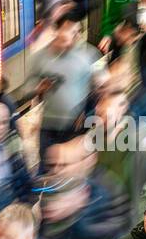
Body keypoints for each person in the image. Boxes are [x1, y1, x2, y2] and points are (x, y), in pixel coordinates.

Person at [28, 8, 101, 154]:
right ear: (57, 31)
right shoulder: (40, 57)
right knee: (48, 163)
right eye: (71, 31)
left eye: (78, 31)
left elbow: (101, 87)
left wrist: (88, 113)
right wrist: (38, 88)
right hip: (48, 126)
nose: (77, 36)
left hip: (76, 126)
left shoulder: (90, 54)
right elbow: (27, 88)